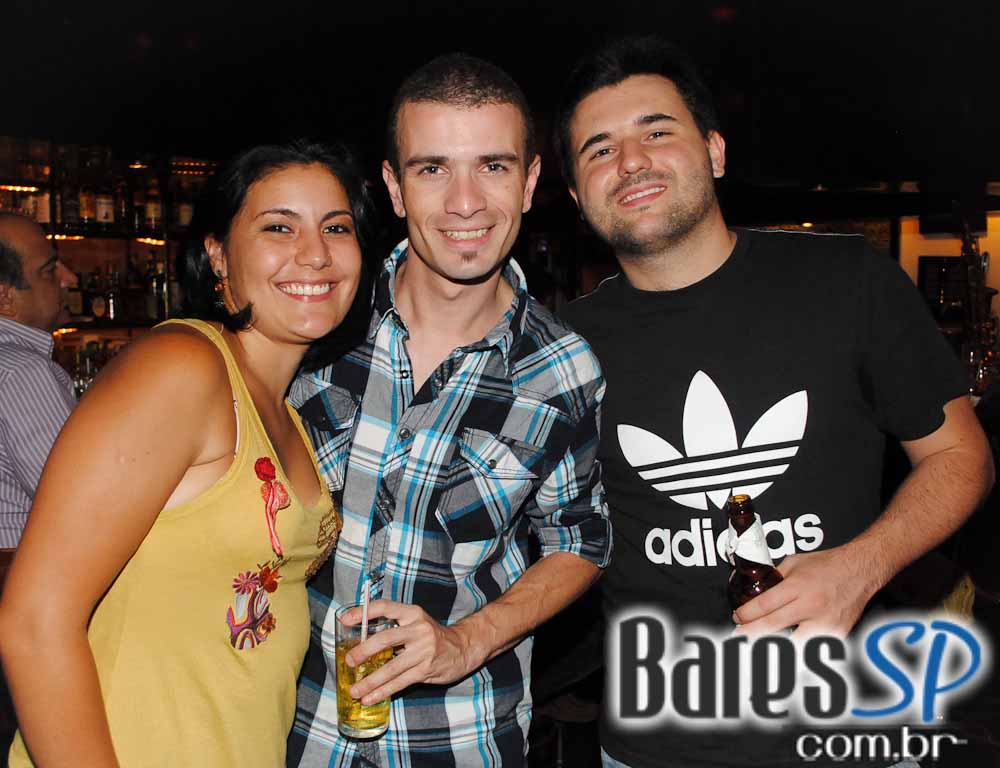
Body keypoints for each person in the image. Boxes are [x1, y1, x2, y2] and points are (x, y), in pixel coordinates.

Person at [553, 36, 993, 768]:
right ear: (575, 196)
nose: (630, 162)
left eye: (656, 131)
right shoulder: (562, 351)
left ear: (715, 151)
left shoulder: (847, 282)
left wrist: (859, 566)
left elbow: (961, 454)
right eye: (599, 150)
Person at [0, 141, 373, 767]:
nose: (316, 253)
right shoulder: (182, 367)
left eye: (336, 227)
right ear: (217, 254)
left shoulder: (285, 409)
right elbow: (34, 620)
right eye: (279, 227)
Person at [288, 54, 612, 767]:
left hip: (458, 737)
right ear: (394, 188)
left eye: (493, 166)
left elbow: (580, 540)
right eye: (433, 169)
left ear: (530, 182)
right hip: (290, 728)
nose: (466, 203)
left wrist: (467, 641)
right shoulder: (316, 325)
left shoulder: (562, 369)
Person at [0, 213, 79, 754]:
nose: (69, 278)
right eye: (50, 270)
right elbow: (81, 508)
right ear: (6, 298)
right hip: (20, 589)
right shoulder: (23, 371)